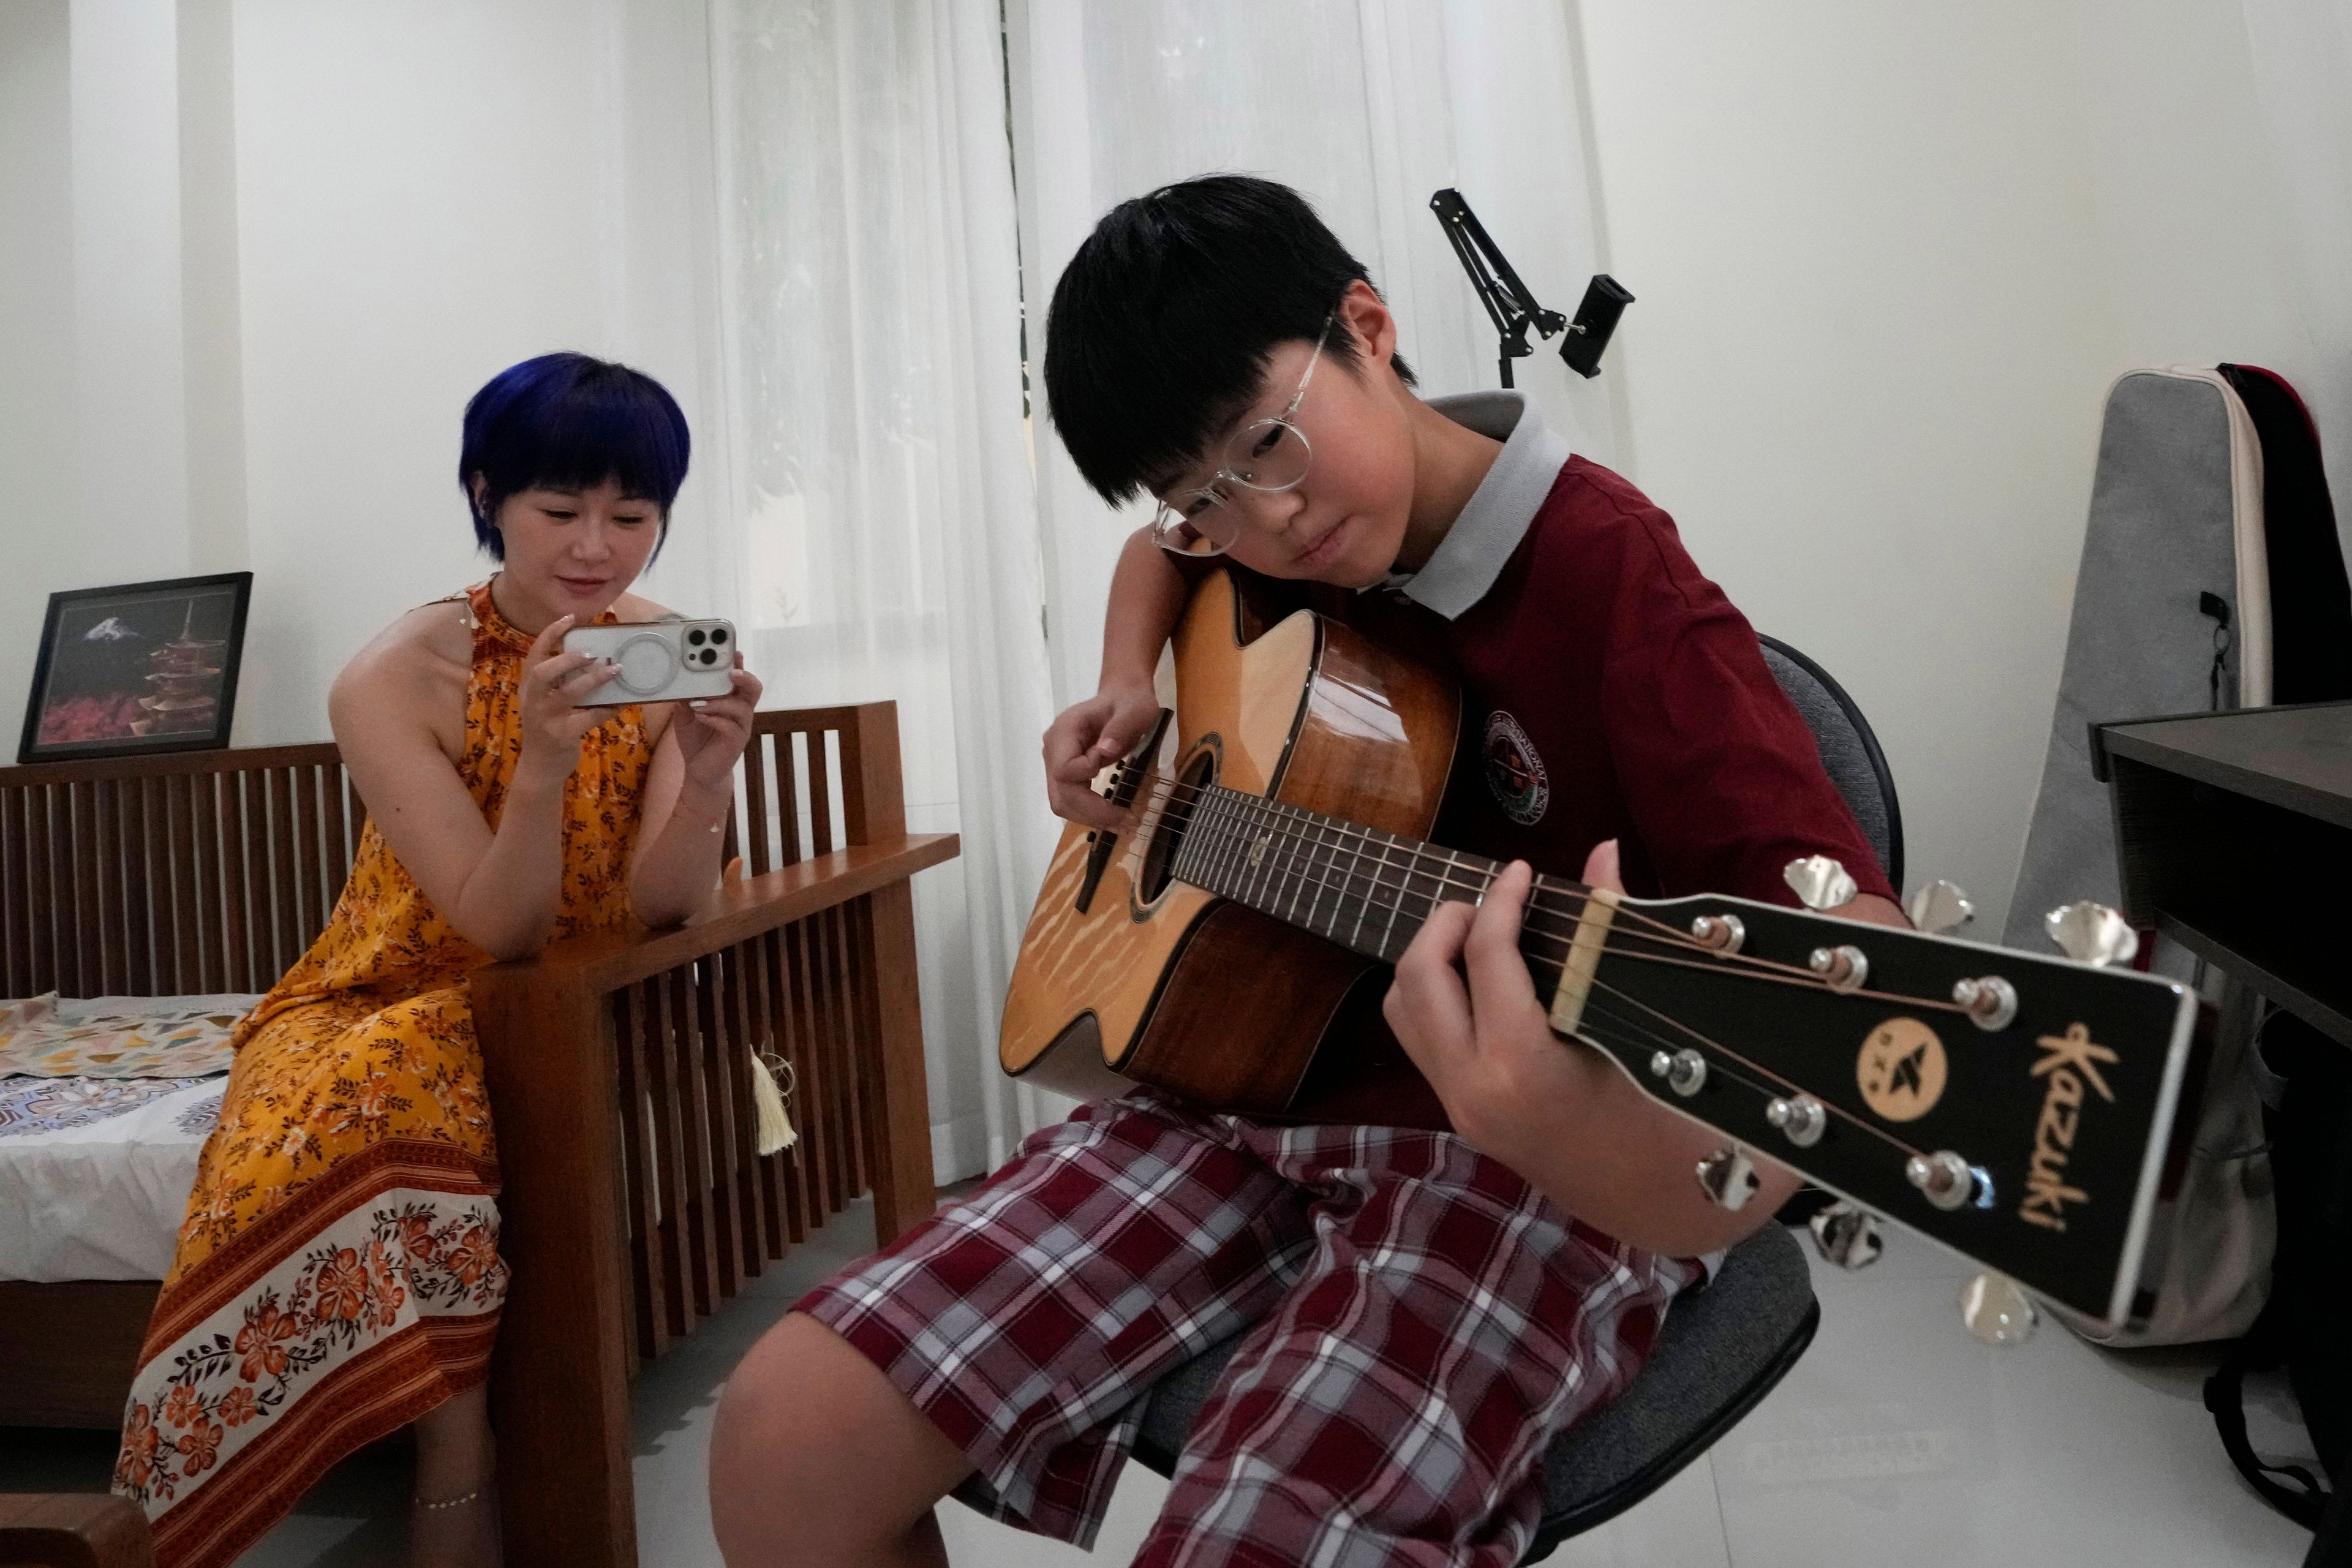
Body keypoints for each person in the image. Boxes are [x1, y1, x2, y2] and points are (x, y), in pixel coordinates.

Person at [709, 176, 1905, 1567]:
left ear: (1371, 326)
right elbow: (1154, 554)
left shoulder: (1616, 570)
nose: (1262, 523)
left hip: (1525, 1156)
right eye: (1205, 495)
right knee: (784, 1434)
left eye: (1266, 447)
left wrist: (1593, 1128)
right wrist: (1121, 694)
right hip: (1242, 1086)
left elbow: (1852, 945)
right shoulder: (1276, 531)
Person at [113, 352, 761, 1568]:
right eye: (559, 510)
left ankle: (449, 1435)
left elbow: (667, 904)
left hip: (579, 988)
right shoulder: (393, 676)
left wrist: (713, 770)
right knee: (380, 1082)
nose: (597, 548)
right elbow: (488, 925)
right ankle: (456, 1439)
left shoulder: (669, 651)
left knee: (436, 1066)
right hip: (399, 980)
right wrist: (540, 760)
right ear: (486, 495)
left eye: (633, 515)